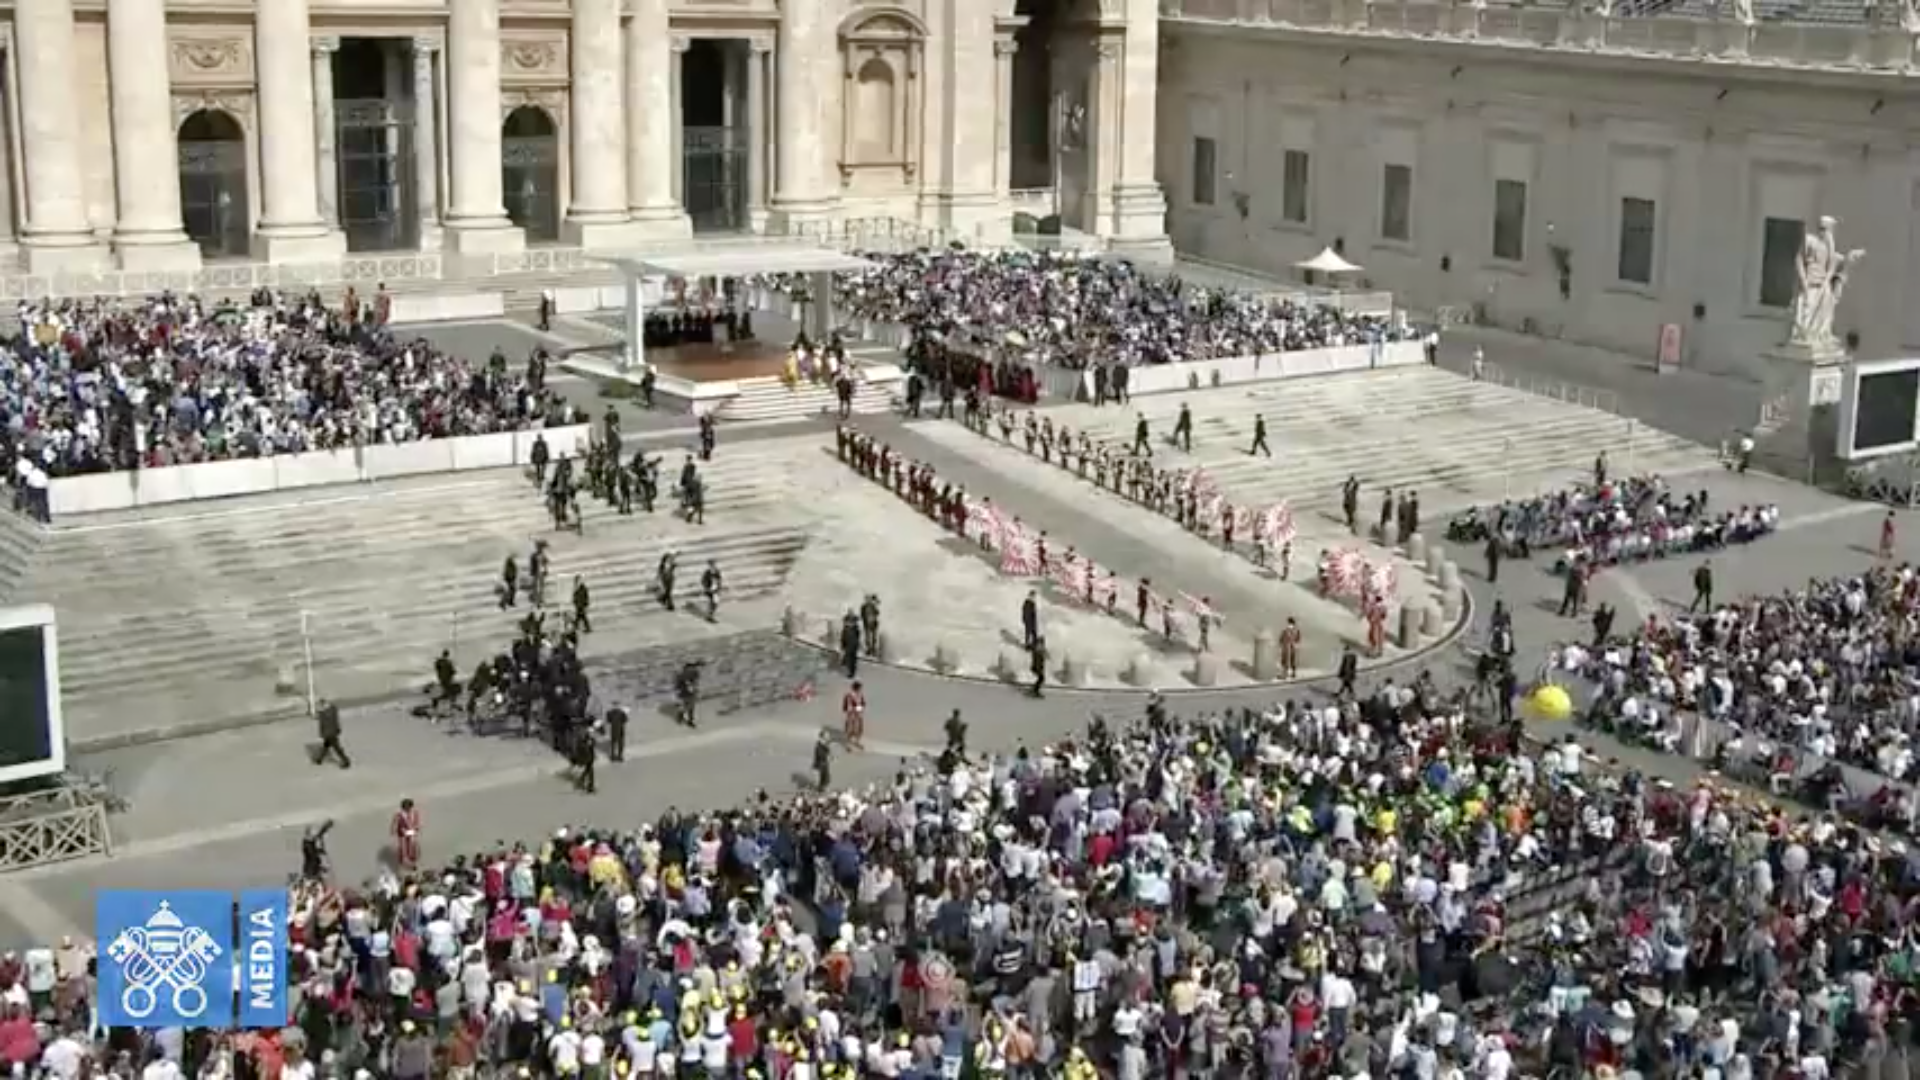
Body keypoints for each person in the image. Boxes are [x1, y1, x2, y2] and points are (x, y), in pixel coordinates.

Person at [312, 698, 351, 769]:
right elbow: (335, 720)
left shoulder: (323, 714)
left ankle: (346, 761)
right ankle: (319, 759)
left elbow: (322, 725)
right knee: (326, 746)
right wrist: (338, 729)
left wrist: (322, 734)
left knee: (337, 748)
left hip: (329, 733)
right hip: (333, 731)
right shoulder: (333, 710)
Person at [391, 798, 421, 871]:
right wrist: (393, 830)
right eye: (405, 807)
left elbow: (417, 823)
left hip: (411, 833)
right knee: (403, 849)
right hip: (402, 835)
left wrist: (416, 828)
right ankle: (403, 863)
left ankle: (413, 863)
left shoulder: (415, 813)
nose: (407, 809)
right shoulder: (399, 815)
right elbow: (394, 823)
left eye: (409, 807)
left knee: (413, 848)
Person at [842, 680, 866, 750]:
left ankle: (857, 742)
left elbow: (863, 704)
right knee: (850, 731)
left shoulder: (860, 695)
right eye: (859, 688)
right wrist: (857, 708)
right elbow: (846, 707)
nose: (860, 690)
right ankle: (847, 745)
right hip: (851, 716)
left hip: (858, 715)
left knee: (859, 730)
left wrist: (860, 708)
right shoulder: (849, 696)